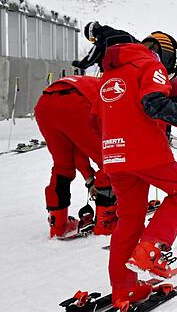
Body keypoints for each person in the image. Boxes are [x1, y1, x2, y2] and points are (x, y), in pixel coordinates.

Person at [98, 39, 177, 308]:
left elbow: (93, 118)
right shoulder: (149, 64)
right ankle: (151, 249)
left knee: (130, 218)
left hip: (113, 155)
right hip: (143, 150)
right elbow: (154, 103)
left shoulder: (109, 75)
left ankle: (125, 289)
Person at [34, 75, 116, 238]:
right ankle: (106, 222)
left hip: (45, 104)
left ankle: (58, 224)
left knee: (62, 165)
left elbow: (76, 145)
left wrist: (90, 179)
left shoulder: (101, 84)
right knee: (110, 161)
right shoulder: (115, 95)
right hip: (76, 102)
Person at [73, 21, 137, 71]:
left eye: (92, 40)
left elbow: (91, 58)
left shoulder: (102, 39)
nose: (94, 42)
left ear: (93, 33)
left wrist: (80, 64)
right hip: (135, 65)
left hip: (117, 71)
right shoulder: (121, 33)